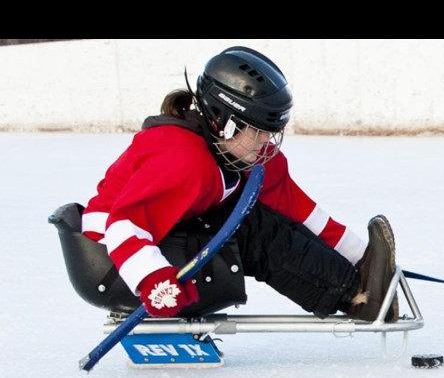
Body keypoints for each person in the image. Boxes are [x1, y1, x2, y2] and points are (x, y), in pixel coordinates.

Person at [80, 46, 398, 322]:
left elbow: (296, 209)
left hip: (150, 241)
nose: (265, 141)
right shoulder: (184, 161)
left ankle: (359, 284)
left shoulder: (237, 154)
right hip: (113, 260)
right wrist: (153, 280)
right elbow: (124, 225)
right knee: (252, 232)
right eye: (258, 131)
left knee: (266, 217)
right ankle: (356, 298)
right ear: (224, 121)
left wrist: (362, 256)